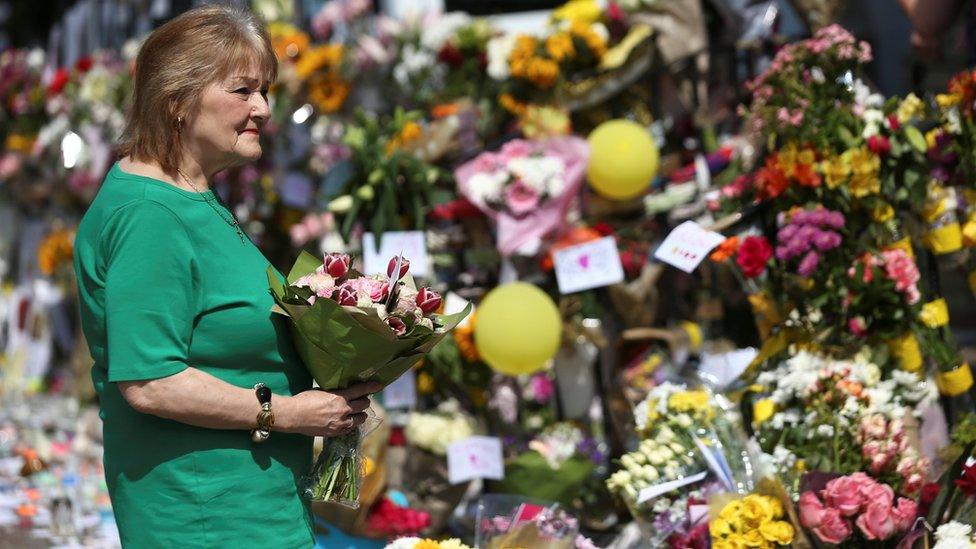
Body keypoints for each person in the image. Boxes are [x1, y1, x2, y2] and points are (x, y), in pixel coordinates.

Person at [73, 6, 378, 547]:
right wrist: (286, 413)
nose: (262, 108)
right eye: (242, 90)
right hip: (205, 514)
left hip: (246, 503)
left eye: (265, 91)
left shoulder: (188, 196)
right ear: (176, 102)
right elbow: (150, 382)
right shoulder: (151, 214)